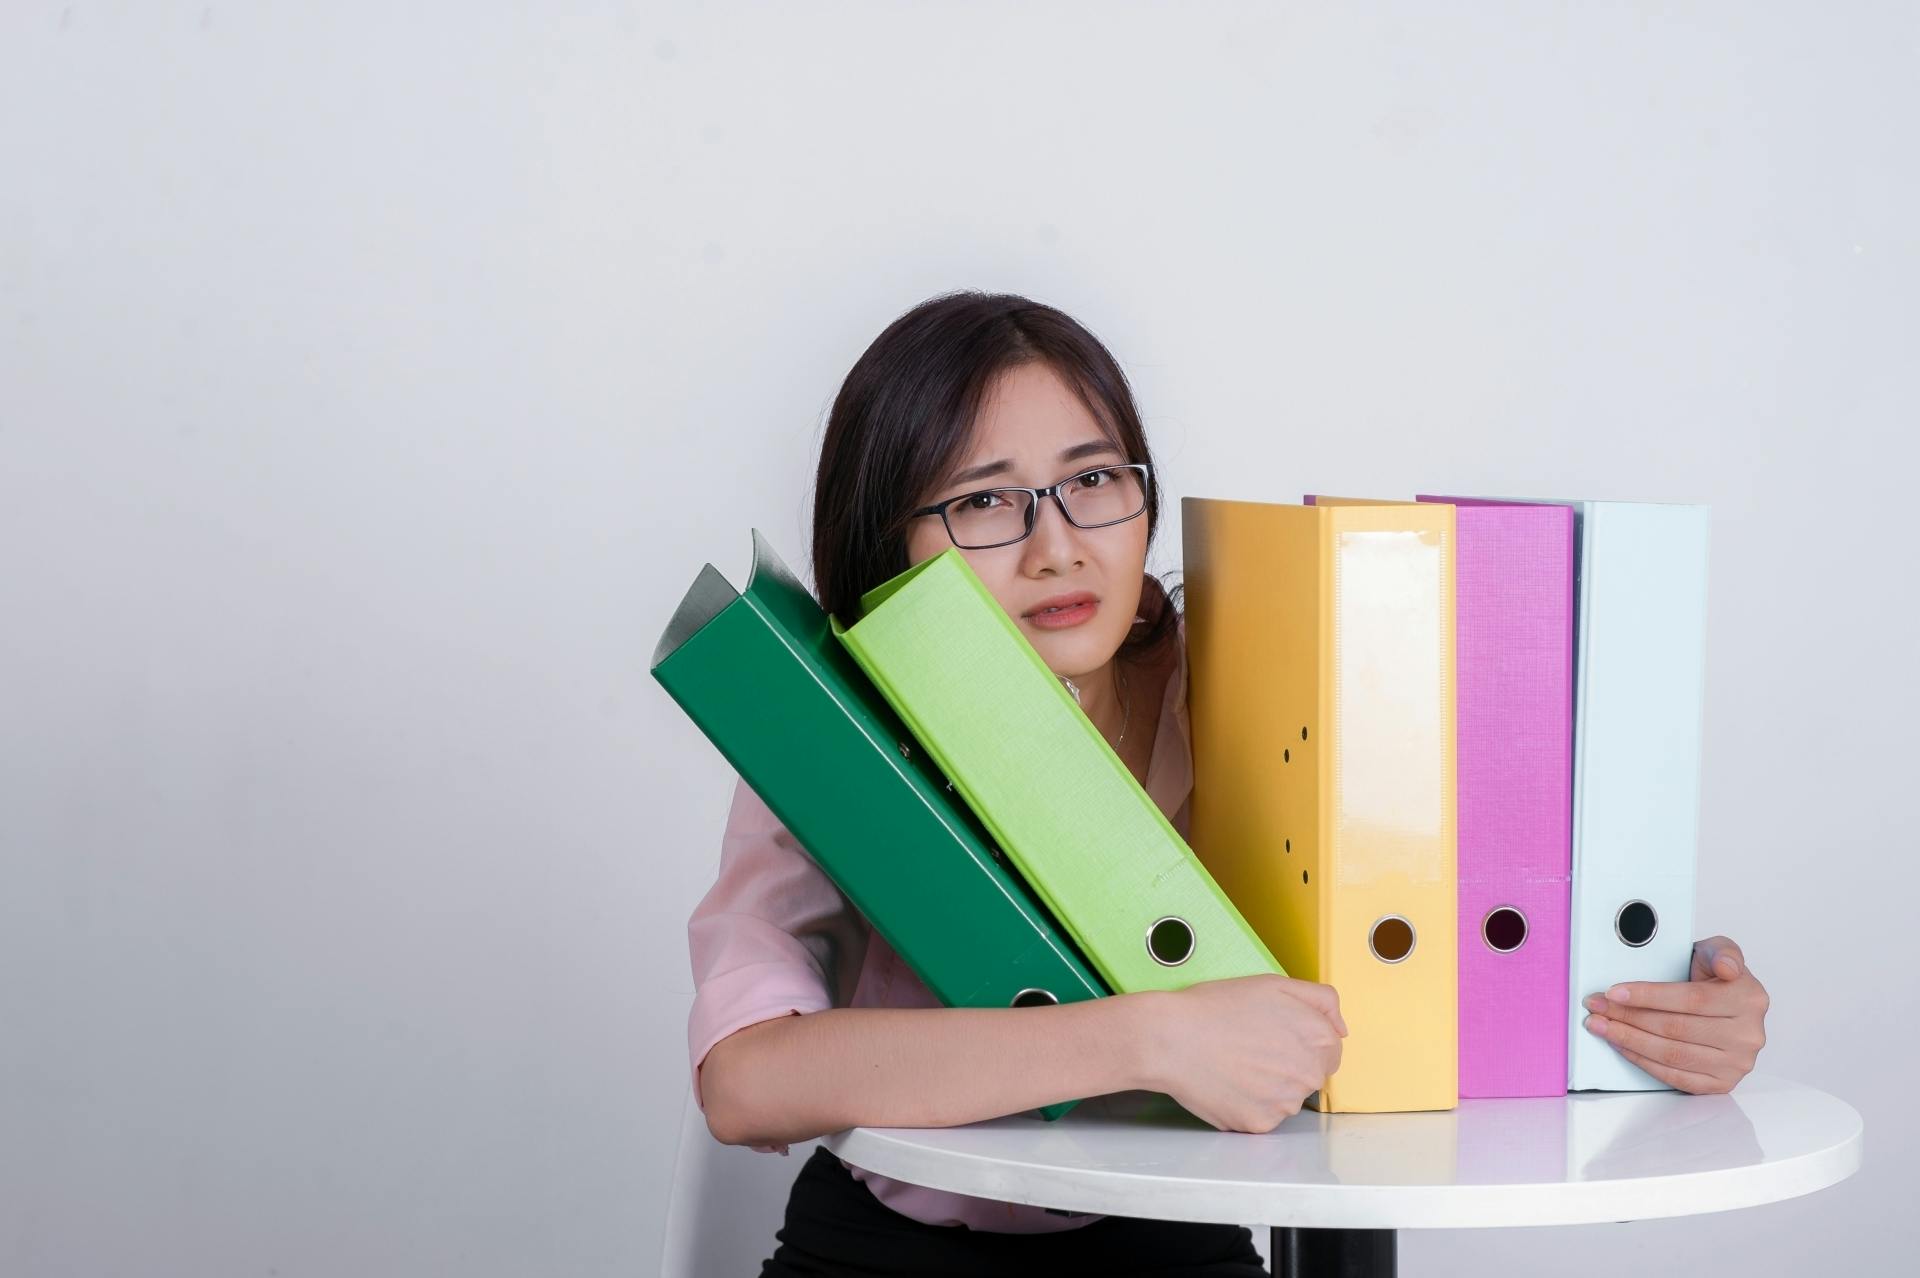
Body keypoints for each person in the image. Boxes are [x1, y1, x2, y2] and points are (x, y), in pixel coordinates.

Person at [684, 291, 1771, 1276]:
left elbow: (1456, 923)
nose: (1058, 549)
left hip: (1180, 1244)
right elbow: (746, 1082)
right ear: (888, 542)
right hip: (886, 1254)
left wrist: (1668, 1008)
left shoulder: (1262, 677)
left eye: (1093, 480)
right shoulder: (833, 742)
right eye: (984, 502)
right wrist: (1148, 1036)